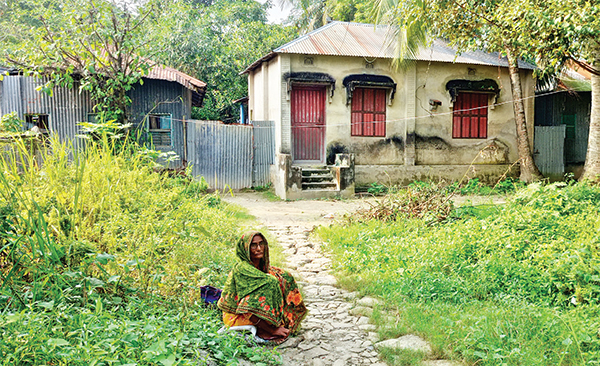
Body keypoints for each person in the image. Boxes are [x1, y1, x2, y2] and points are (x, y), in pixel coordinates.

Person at [217, 231, 307, 343]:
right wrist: (272, 330)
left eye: (261, 244)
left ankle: (286, 320)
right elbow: (246, 306)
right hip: (238, 315)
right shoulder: (242, 270)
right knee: (270, 282)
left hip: (248, 311)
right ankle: (268, 328)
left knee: (283, 276)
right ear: (245, 249)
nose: (259, 248)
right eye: (253, 245)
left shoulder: (260, 266)